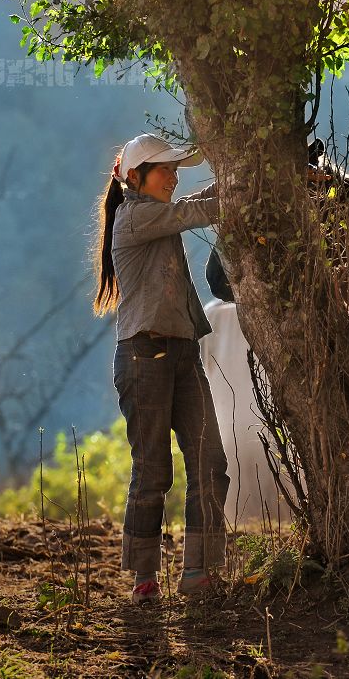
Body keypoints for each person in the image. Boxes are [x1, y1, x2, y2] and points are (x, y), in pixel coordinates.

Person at [92, 133, 230, 604]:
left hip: (181, 354)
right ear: (136, 178)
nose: (174, 176)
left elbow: (192, 202)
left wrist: (229, 184)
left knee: (209, 462)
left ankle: (198, 573)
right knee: (153, 471)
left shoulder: (153, 213)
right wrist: (243, 185)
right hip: (143, 358)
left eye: (174, 170)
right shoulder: (136, 216)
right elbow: (194, 210)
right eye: (165, 170)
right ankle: (145, 579)